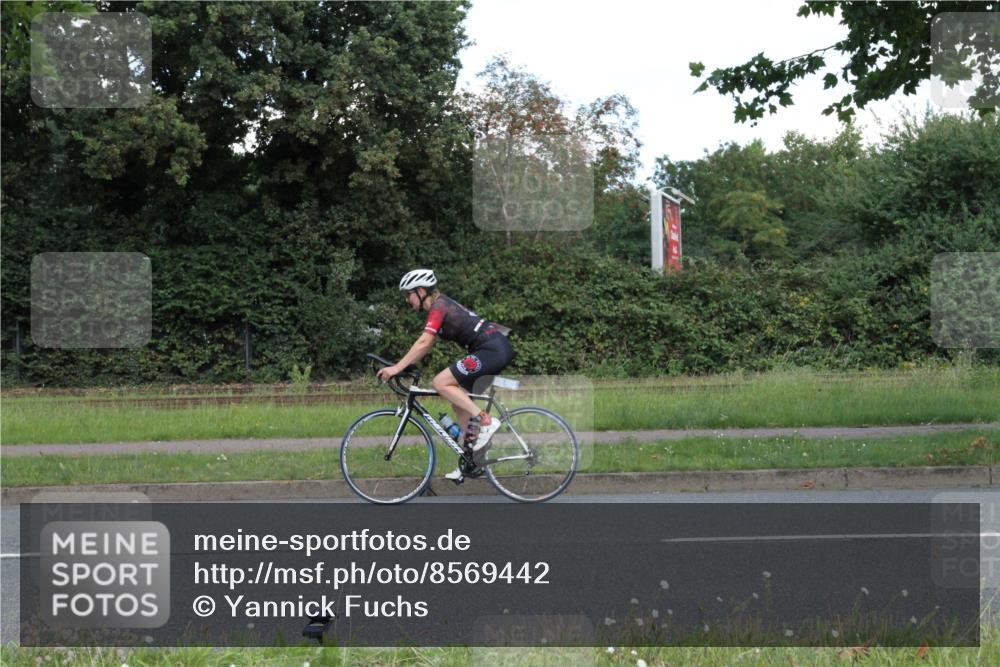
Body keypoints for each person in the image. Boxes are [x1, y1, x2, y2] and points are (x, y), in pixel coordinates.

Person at [377, 268, 514, 481]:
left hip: (491, 349)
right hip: (492, 348)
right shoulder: (440, 306)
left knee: (441, 383)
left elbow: (423, 342)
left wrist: (396, 368)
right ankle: (471, 461)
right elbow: (426, 346)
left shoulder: (439, 306)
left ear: (421, 291)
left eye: (408, 294)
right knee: (458, 402)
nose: (407, 300)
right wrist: (405, 366)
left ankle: (486, 422)